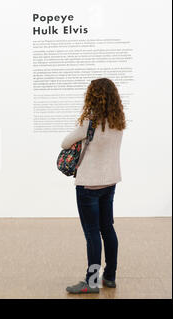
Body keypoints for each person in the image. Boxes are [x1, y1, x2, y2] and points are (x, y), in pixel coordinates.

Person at [62, 78, 126, 294]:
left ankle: (91, 282)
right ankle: (110, 276)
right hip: (110, 182)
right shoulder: (118, 122)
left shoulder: (89, 122)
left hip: (89, 184)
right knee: (107, 228)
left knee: (92, 234)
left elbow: (64, 143)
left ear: (92, 97)